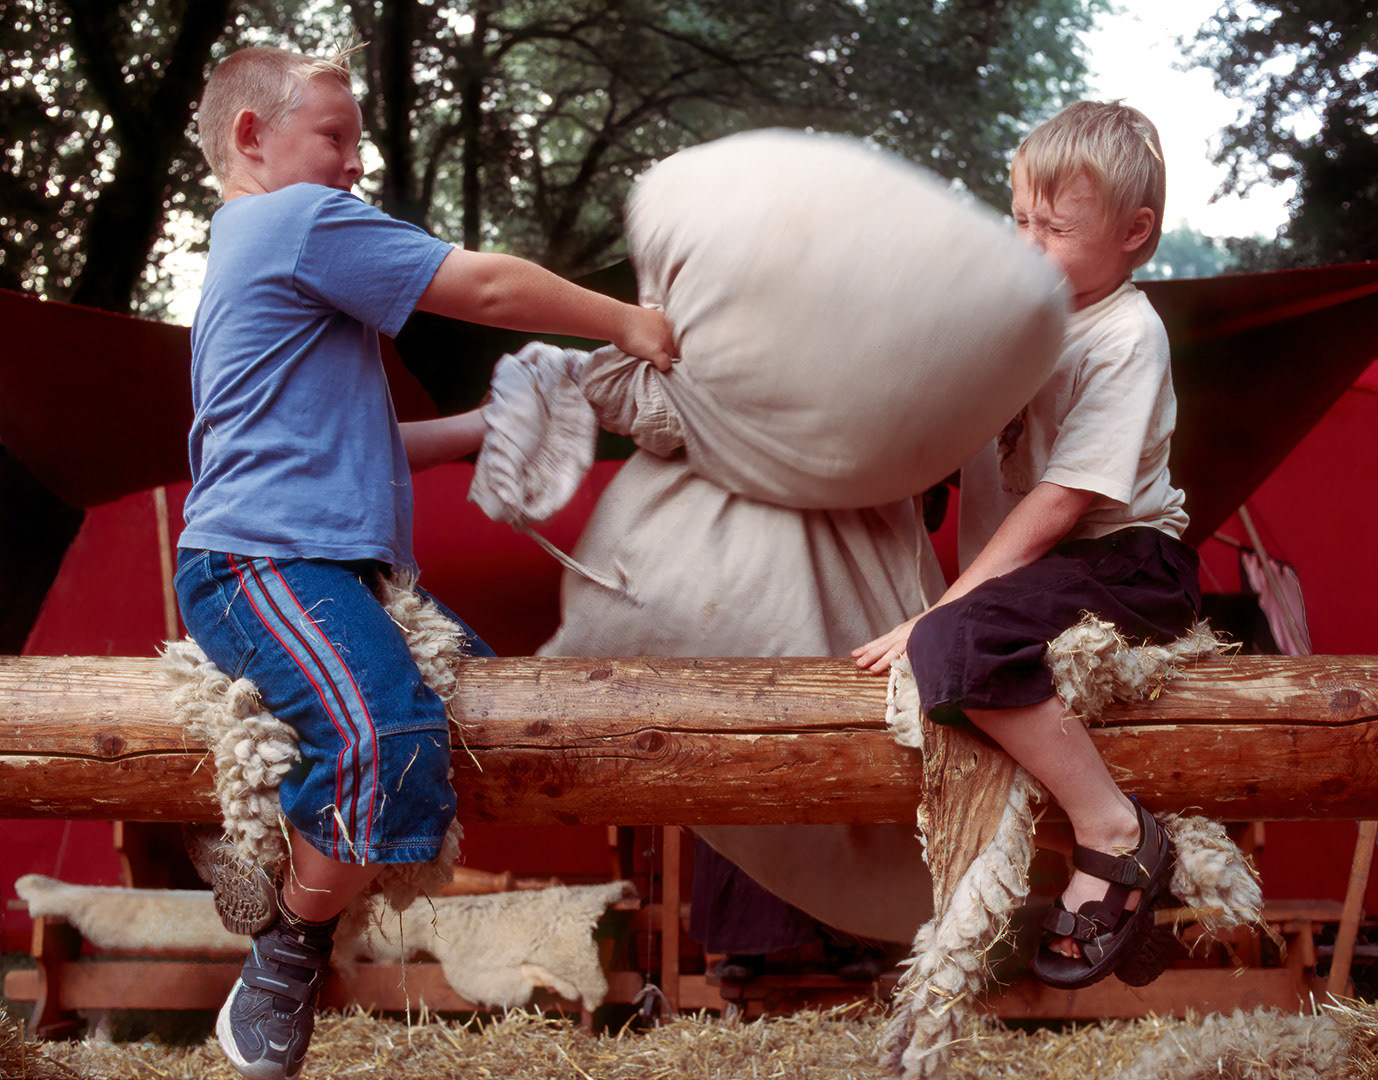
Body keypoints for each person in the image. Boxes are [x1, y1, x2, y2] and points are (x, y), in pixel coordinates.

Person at [174, 44, 675, 1080]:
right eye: (335, 138)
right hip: (261, 561)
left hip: (335, 569)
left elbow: (357, 442)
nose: (356, 163)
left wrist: (484, 425)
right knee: (386, 732)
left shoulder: (252, 252)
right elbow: (484, 287)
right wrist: (627, 318)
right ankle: (285, 951)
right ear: (251, 137)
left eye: (360, 142)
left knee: (473, 723)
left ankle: (272, 857)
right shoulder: (292, 221)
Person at [853, 100, 1200, 990]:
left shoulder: (1127, 335)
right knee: (946, 633)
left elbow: (1060, 500)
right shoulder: (1017, 315)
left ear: (1134, 232)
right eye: (1020, 221)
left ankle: (1118, 832)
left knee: (948, 643)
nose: (1030, 243)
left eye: (1057, 227)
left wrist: (946, 606)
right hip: (1039, 569)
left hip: (1124, 563)